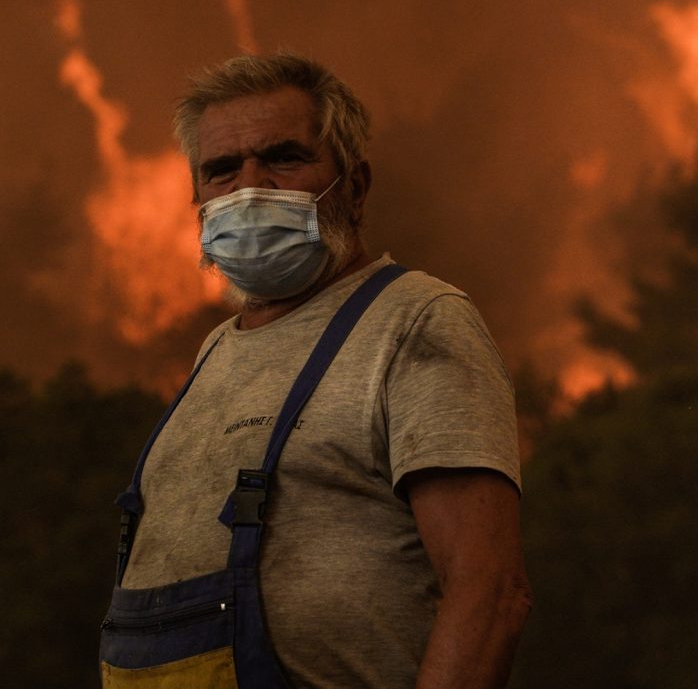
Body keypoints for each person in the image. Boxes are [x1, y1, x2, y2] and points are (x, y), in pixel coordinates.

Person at [100, 52, 531, 688]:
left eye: (284, 157)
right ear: (198, 199)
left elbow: (489, 593)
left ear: (354, 188)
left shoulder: (415, 319)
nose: (250, 187)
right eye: (222, 170)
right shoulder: (216, 348)